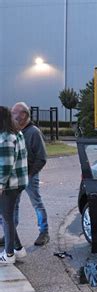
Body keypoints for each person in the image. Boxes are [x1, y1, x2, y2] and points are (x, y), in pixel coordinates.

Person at [0, 102, 49, 246]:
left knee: (36, 203)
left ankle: (44, 232)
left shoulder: (33, 132)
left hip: (29, 175)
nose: (12, 115)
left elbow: (42, 157)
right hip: (15, 177)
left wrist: (31, 174)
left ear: (24, 115)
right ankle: (11, 236)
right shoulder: (15, 131)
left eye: (14, 112)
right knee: (13, 206)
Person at [0, 106, 29, 263]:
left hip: (10, 185)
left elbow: (5, 165)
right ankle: (18, 249)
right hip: (18, 183)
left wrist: (0, 185)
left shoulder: (5, 138)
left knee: (6, 217)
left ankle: (9, 254)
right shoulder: (16, 133)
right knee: (7, 216)